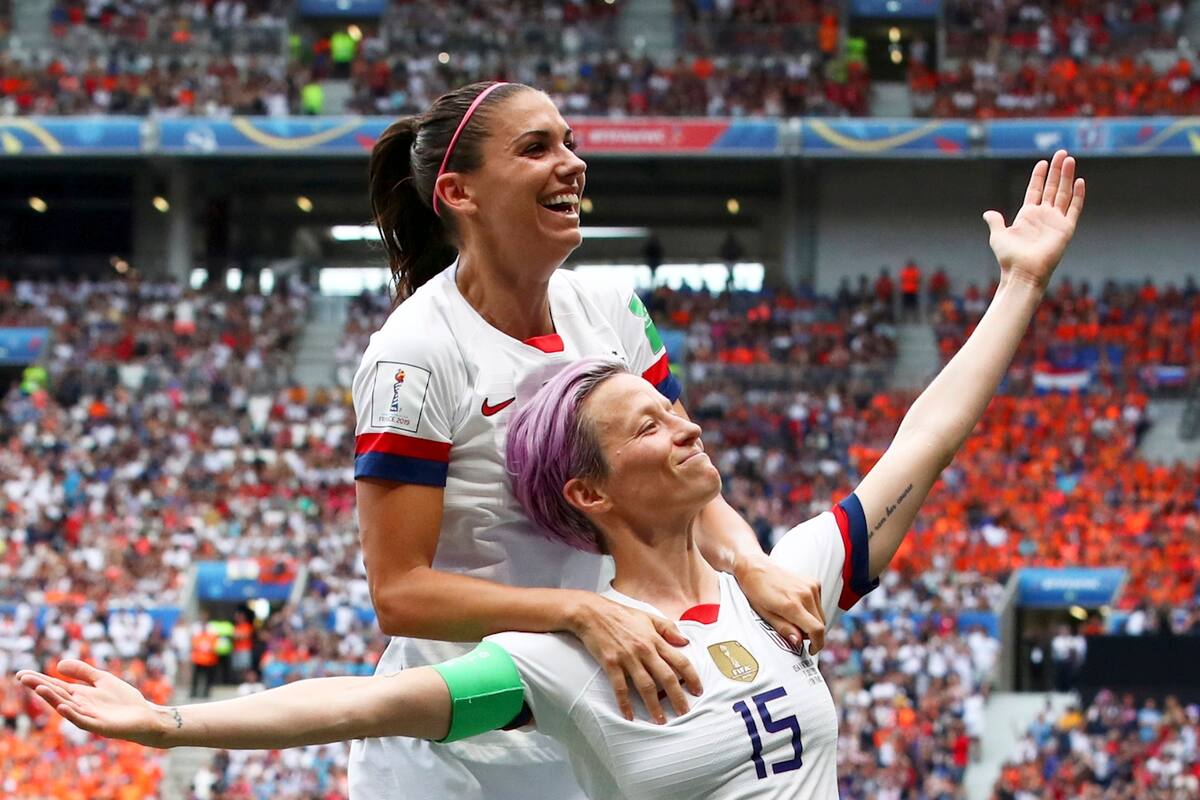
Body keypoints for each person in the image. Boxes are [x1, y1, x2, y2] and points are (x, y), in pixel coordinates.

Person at [18, 150, 1086, 799]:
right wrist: (168, 721)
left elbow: (923, 441)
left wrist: (1020, 287)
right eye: (645, 422)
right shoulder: (562, 660)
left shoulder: (779, 581)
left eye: (669, 404)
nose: (681, 418)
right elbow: (363, 701)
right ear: (589, 491)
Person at [349, 80, 827, 799]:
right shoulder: (413, 353)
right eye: (536, 148)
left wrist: (748, 564)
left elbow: (683, 474)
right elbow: (399, 592)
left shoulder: (610, 308)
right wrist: (579, 611)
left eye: (569, 142)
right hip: (460, 759)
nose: (572, 162)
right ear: (459, 192)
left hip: (603, 722)